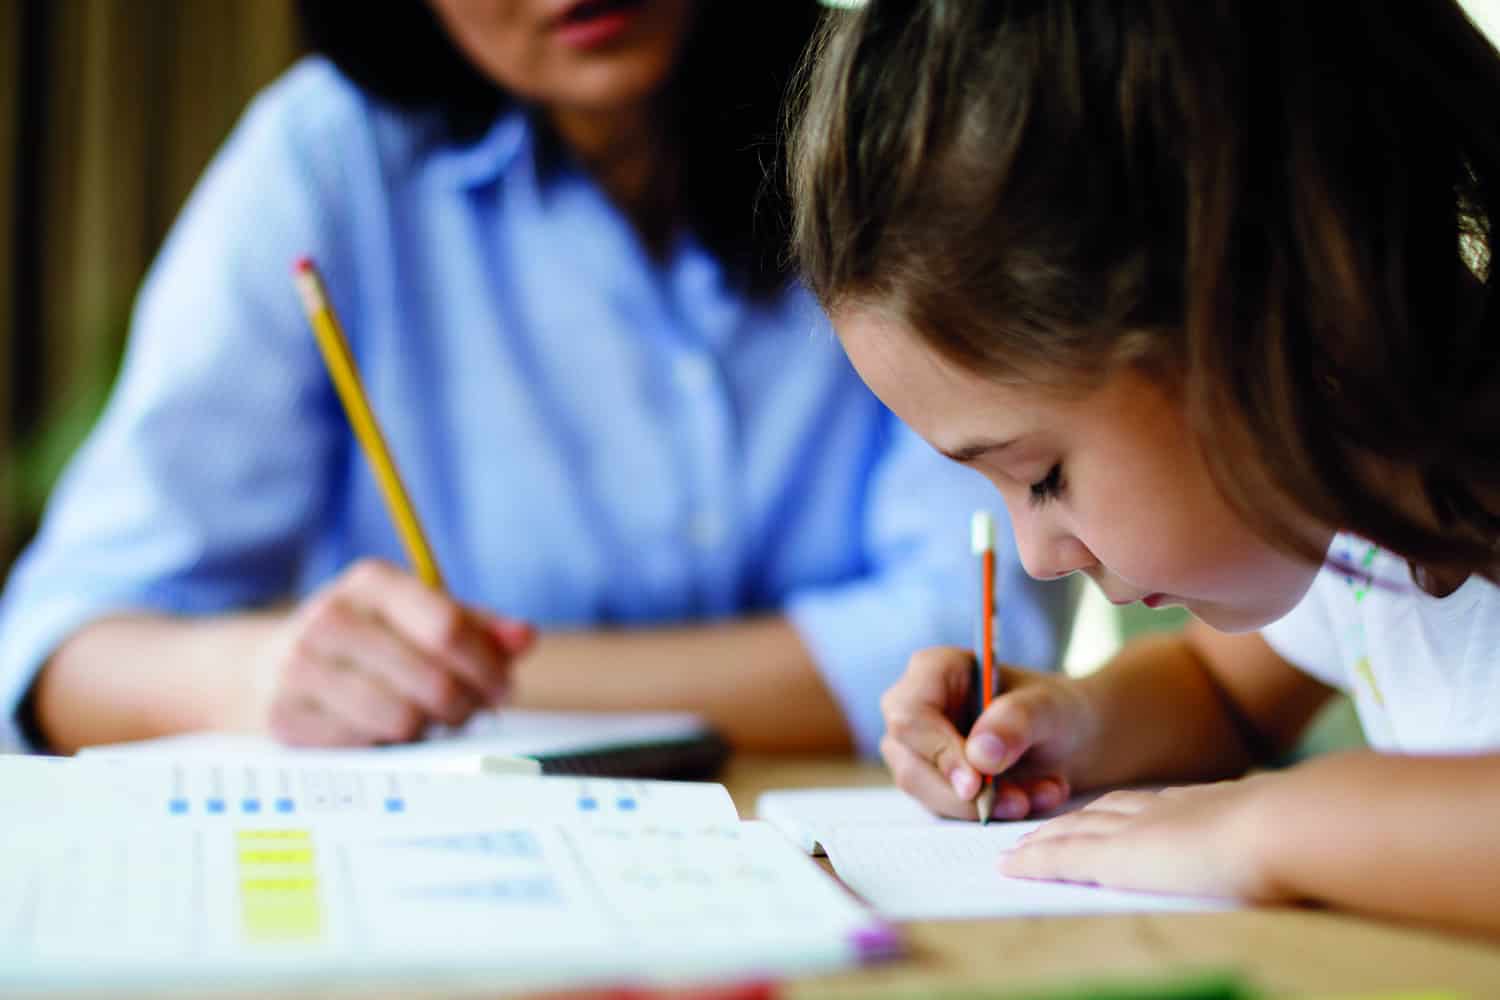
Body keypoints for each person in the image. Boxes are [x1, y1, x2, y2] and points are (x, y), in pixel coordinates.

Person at [0, 1, 1067, 756]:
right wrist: (265, 674)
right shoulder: (327, 163)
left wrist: (475, 685)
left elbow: (978, 640)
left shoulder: (903, 133)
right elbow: (57, 651)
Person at [790, 0, 1500, 935]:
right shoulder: (1357, 518)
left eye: (1041, 474)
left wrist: (1268, 829)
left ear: (1270, 302)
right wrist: (1071, 727)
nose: (1040, 556)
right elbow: (1225, 696)